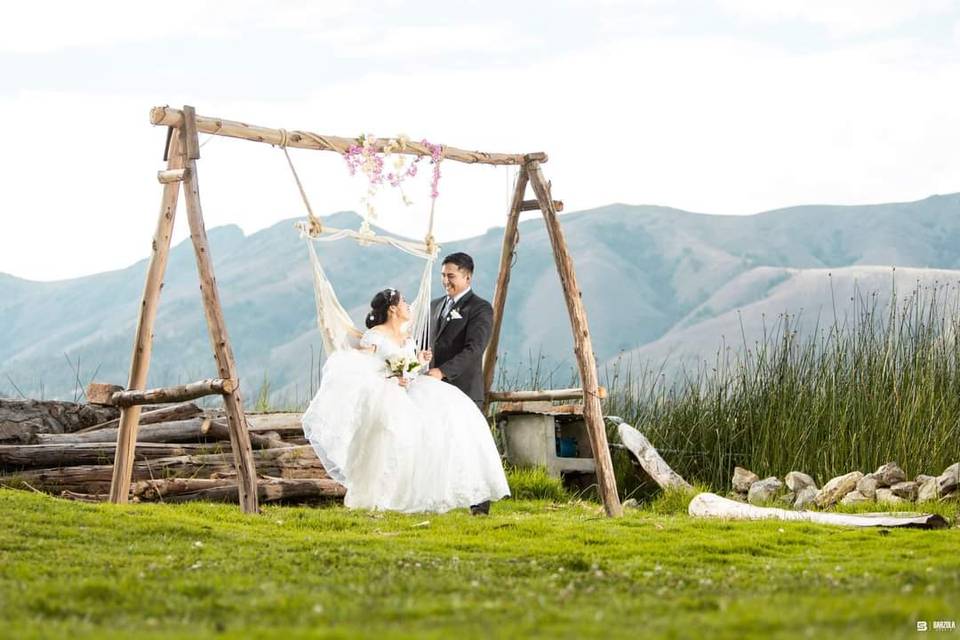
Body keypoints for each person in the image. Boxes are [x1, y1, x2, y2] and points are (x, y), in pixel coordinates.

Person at [300, 287, 510, 515]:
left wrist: (418, 361)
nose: (409, 306)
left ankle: (450, 489)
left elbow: (409, 369)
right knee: (393, 438)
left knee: (454, 417)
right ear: (393, 309)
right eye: (404, 302)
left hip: (414, 389)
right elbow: (365, 366)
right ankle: (386, 494)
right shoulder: (375, 336)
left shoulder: (408, 337)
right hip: (389, 393)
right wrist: (390, 377)